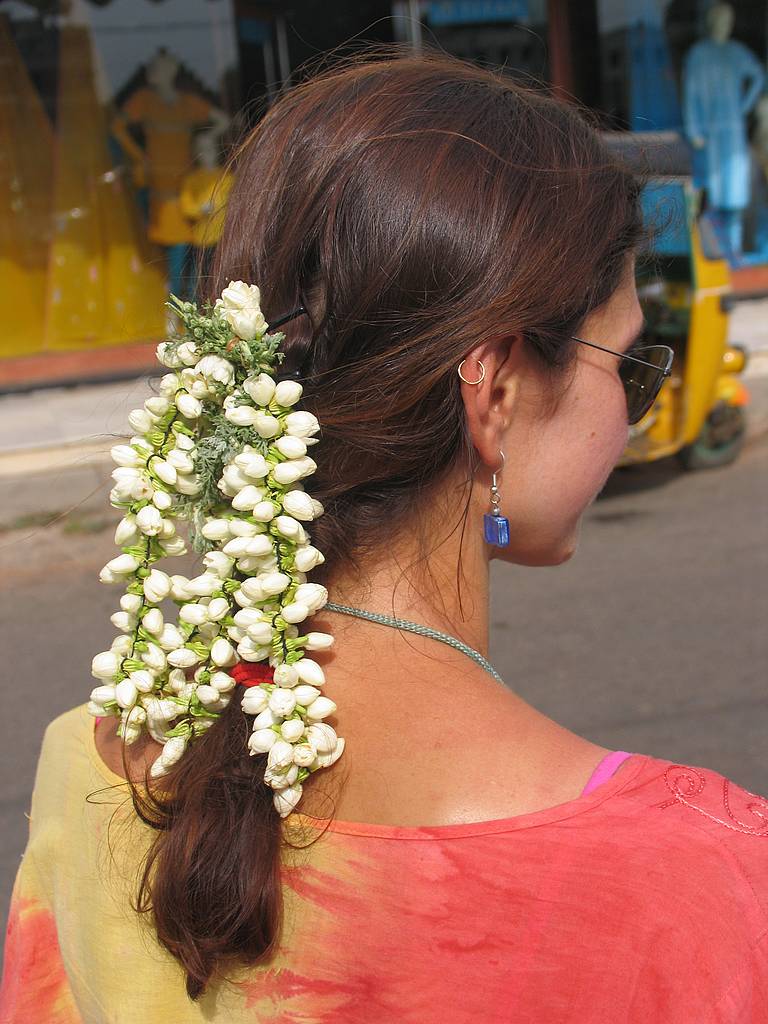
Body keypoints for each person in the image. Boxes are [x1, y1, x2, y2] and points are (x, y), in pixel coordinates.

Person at [2, 48, 767, 1023]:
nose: (629, 412)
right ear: (494, 392)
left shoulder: (91, 761)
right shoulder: (700, 881)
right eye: (628, 365)